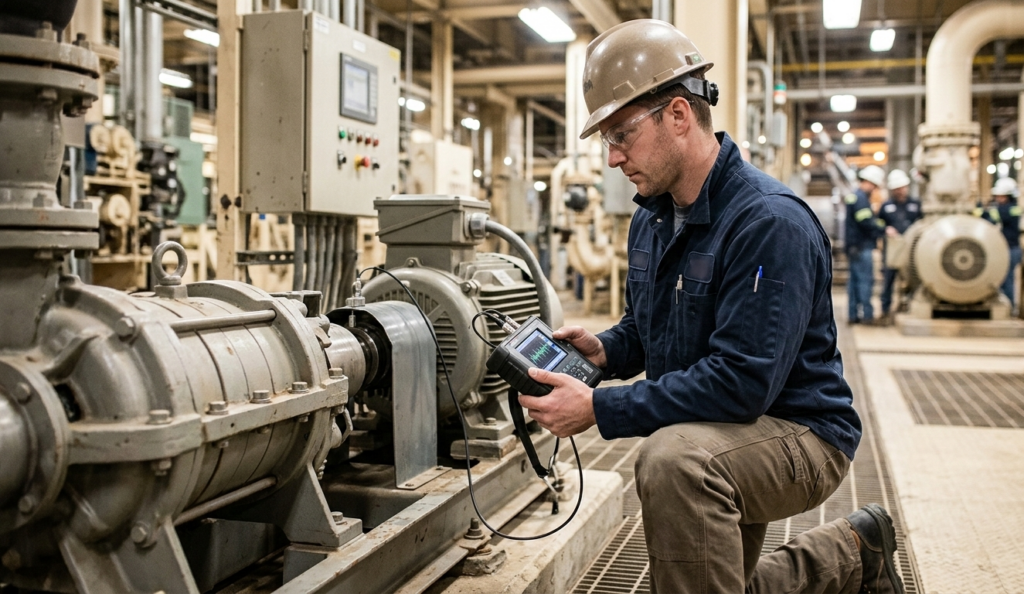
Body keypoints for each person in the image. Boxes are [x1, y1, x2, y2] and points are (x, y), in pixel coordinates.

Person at [517, 20, 904, 594]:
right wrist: (606, 350)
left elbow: (742, 382)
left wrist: (601, 408)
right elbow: (650, 331)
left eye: (621, 134)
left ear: (678, 115)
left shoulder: (768, 222)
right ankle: (853, 549)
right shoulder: (651, 216)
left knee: (673, 462)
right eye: (607, 141)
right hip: (717, 428)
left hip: (799, 432)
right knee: (713, 580)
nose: (613, 157)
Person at [877, 169, 922, 321]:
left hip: (912, 250)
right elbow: (879, 224)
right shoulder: (886, 206)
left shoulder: (915, 204)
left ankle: (907, 306)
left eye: (902, 188)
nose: (900, 191)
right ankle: (885, 310)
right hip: (892, 248)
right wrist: (885, 230)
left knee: (912, 278)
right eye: (896, 189)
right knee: (888, 280)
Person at [844, 166, 886, 325]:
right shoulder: (861, 199)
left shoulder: (854, 196)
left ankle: (852, 314)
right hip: (862, 246)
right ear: (868, 182)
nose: (874, 190)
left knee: (854, 283)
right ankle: (867, 316)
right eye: (874, 186)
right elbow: (866, 221)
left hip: (853, 247)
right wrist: (883, 228)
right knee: (865, 281)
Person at [981, 177, 1022, 307]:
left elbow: (993, 217)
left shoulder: (1011, 209)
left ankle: (1009, 306)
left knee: (1006, 279)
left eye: (1001, 196)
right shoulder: (1006, 208)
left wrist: (981, 210)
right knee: (1002, 278)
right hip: (1007, 248)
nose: (998, 199)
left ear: (1009, 196)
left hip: (1010, 249)